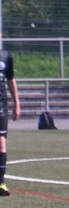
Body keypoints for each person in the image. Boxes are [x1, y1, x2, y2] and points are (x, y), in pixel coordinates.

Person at [0, 46, 20, 197]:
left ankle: (0, 183)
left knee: (1, 142)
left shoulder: (6, 56)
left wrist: (17, 104)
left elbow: (11, 80)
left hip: (1, 106)